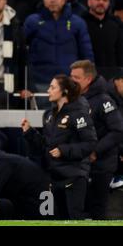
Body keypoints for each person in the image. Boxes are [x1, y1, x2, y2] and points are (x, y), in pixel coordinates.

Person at [22, 74, 97, 219]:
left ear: (65, 92)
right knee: (57, 219)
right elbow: (47, 145)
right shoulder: (49, 115)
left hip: (74, 176)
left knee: (75, 218)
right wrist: (30, 133)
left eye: (52, 87)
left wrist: (64, 151)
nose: (48, 91)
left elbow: (90, 143)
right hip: (54, 176)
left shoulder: (79, 113)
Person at [70, 60, 123, 219]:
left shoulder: (103, 100)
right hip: (78, 165)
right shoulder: (73, 99)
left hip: (101, 165)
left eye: (76, 78)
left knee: (97, 211)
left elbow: (117, 130)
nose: (71, 80)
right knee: (78, 210)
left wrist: (95, 151)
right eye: (71, 76)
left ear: (88, 79)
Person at [24, 0, 94, 97]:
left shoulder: (77, 22)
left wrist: (88, 78)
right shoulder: (32, 21)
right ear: (44, 1)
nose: (52, 0)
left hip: (69, 81)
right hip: (40, 81)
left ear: (63, 0)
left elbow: (86, 53)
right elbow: (23, 53)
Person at [82, 0, 123, 71]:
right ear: (89, 2)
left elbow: (120, 50)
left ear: (108, 3)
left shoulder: (116, 23)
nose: (101, 2)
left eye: (105, 0)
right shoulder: (81, 22)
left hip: (113, 75)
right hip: (88, 74)